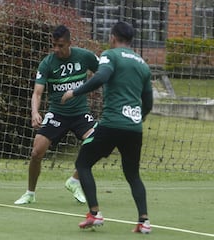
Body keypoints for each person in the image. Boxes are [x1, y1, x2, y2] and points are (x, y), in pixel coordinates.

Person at [61, 21, 153, 233]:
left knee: (83, 163)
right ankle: (144, 221)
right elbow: (148, 102)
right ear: (130, 40)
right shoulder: (142, 64)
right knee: (133, 175)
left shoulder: (110, 55)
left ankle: (94, 213)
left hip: (111, 125)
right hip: (134, 128)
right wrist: (141, 117)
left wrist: (75, 92)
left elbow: (101, 77)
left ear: (113, 37)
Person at [14, 25, 99, 205]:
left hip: (80, 113)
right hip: (57, 114)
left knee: (97, 142)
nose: (56, 49)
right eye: (54, 45)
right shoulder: (47, 63)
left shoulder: (84, 56)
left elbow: (104, 73)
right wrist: (35, 112)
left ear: (69, 43)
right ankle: (30, 193)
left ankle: (74, 181)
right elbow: (37, 93)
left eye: (60, 45)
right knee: (37, 152)